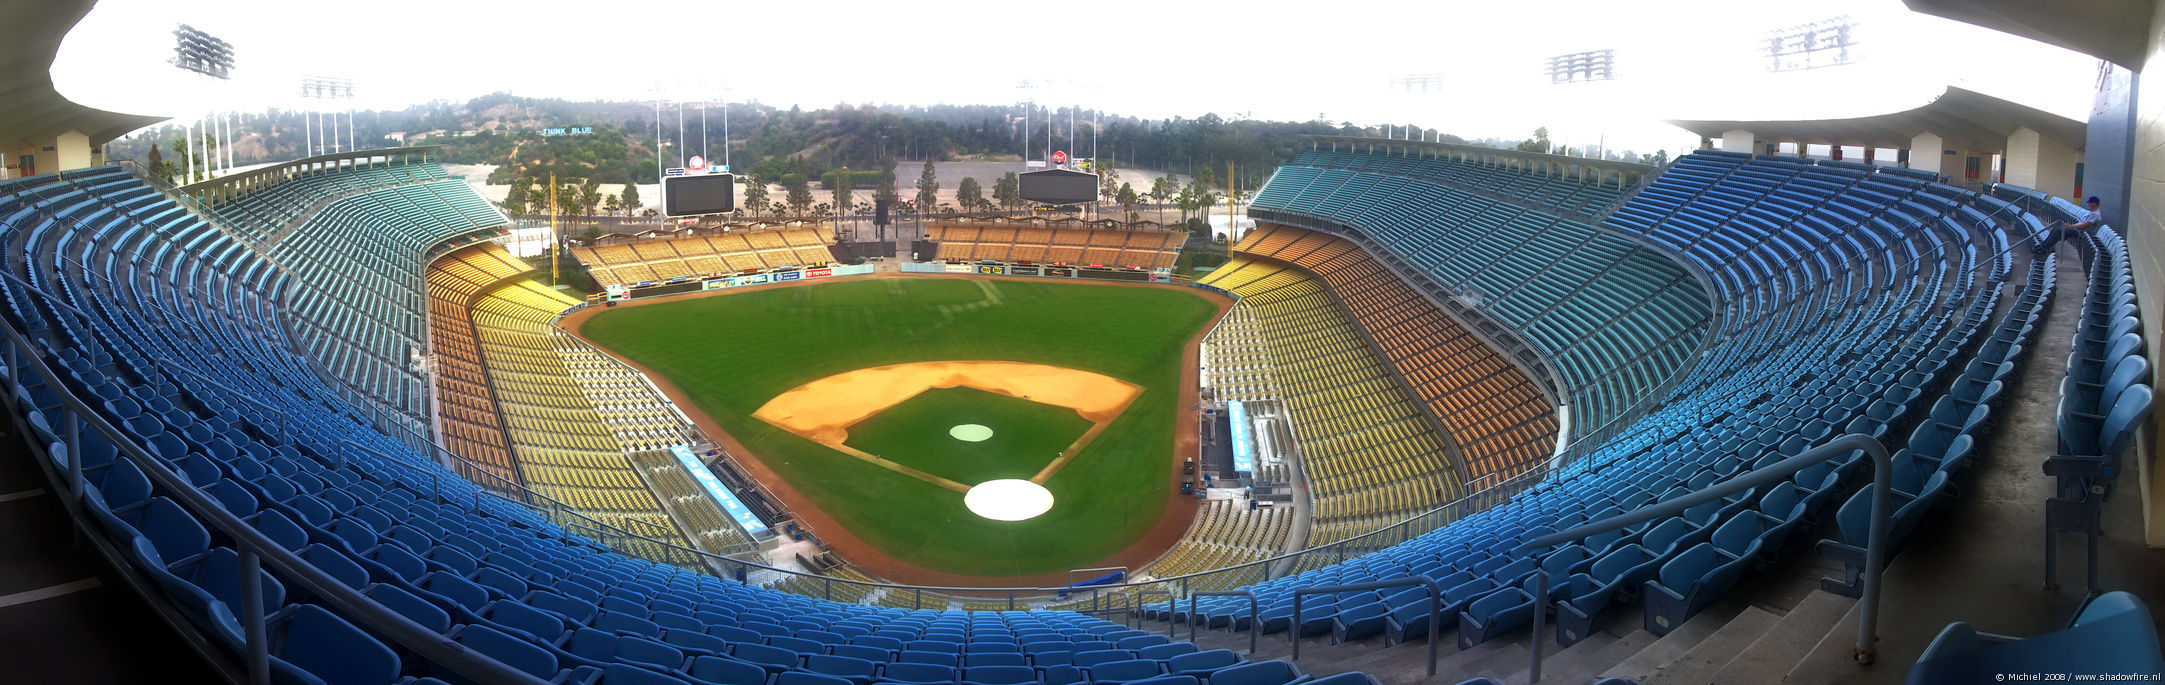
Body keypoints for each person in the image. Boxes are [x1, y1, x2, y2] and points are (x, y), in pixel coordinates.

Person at [2033, 195, 2103, 258]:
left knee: (2058, 231)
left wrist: (2070, 226)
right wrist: (2070, 226)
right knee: (2056, 229)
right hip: (2077, 229)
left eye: (2089, 203)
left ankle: (2044, 249)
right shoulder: (2092, 213)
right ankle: (2043, 246)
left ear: (2094, 204)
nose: (2088, 205)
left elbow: (2084, 225)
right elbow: (2081, 224)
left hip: (2081, 232)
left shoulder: (2095, 215)